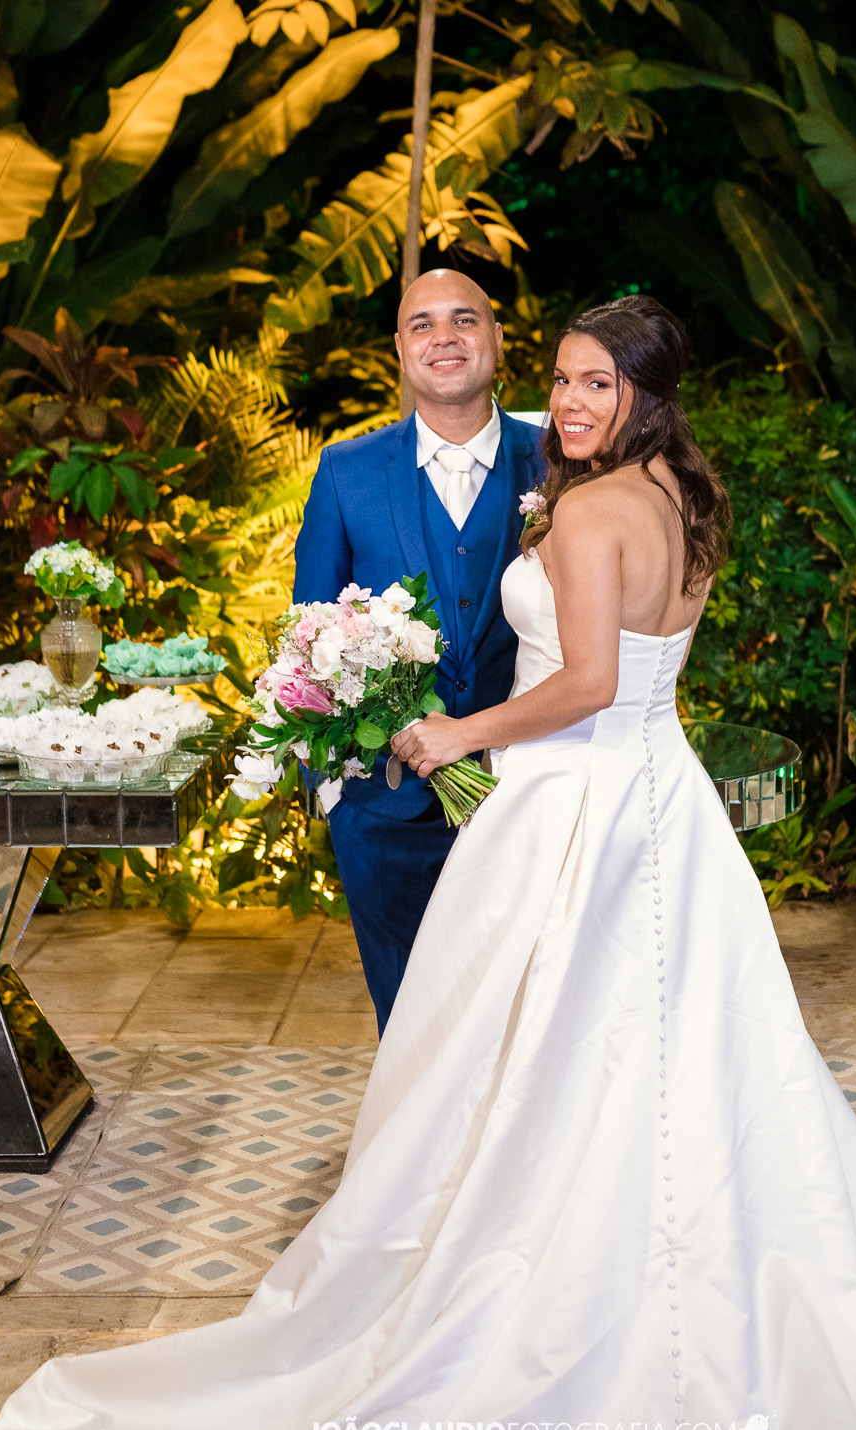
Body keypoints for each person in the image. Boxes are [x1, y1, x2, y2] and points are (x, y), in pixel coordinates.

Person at [0, 297, 856, 1430]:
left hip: (578, 800)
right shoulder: (679, 497)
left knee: (547, 1051)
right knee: (663, 1051)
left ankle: (556, 1275)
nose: (571, 400)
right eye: (563, 379)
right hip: (661, 793)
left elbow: (590, 682)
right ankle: (649, 1247)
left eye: (599, 382)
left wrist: (459, 734)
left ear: (647, 393)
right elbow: (637, 675)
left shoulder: (593, 511)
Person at [289, 268, 546, 1032]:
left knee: (525, 1020)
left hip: (530, 796)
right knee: (409, 1026)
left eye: (464, 319)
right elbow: (307, 632)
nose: (444, 338)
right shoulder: (347, 471)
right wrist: (332, 791)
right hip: (383, 806)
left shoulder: (560, 462)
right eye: (421, 324)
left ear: (496, 338)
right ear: (400, 349)